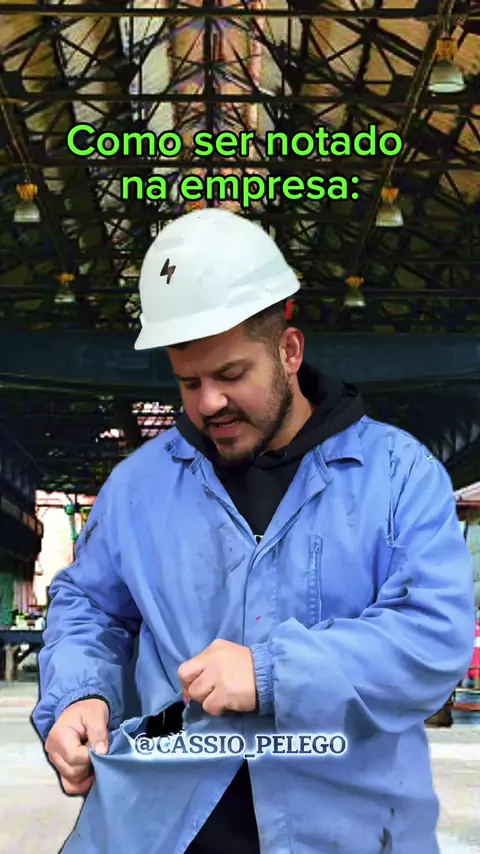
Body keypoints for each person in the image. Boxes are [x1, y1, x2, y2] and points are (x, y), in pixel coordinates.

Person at [32, 208, 475, 854]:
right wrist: (81, 693)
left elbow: (434, 637)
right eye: (189, 382)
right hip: (154, 830)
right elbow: (89, 605)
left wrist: (273, 673)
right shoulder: (139, 487)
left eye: (231, 375)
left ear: (289, 352)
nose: (208, 402)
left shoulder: (397, 475)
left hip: (348, 833)